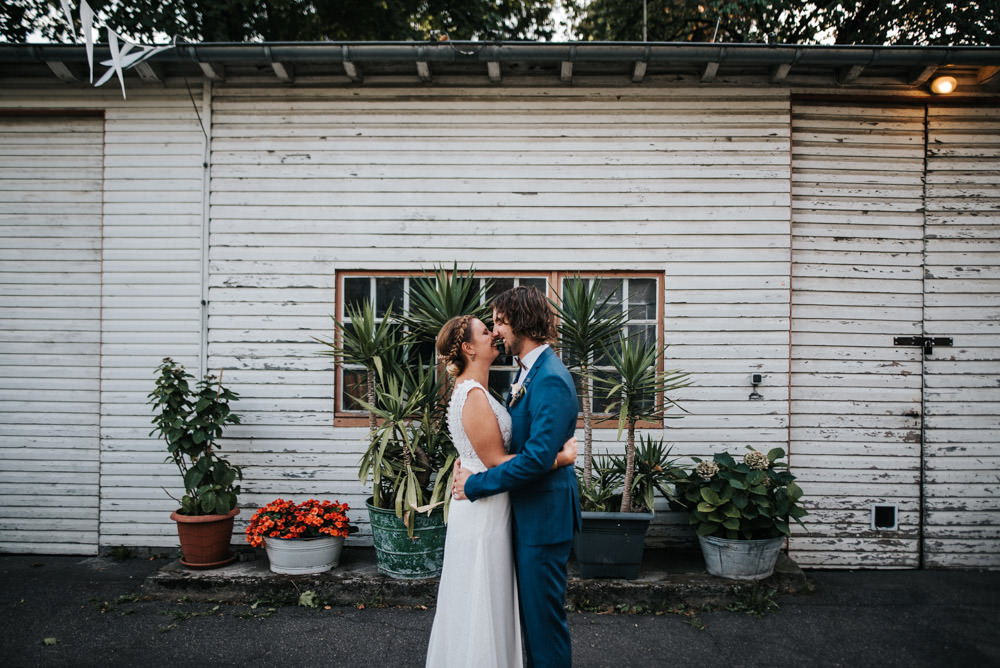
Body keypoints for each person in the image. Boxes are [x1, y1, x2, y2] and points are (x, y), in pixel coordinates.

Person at [425, 313, 577, 668]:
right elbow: (496, 460)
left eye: (496, 325)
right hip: (483, 509)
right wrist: (559, 458)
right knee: (481, 600)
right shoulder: (473, 394)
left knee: (487, 599)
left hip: (492, 504)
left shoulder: (482, 390)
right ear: (467, 348)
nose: (493, 333)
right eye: (484, 330)